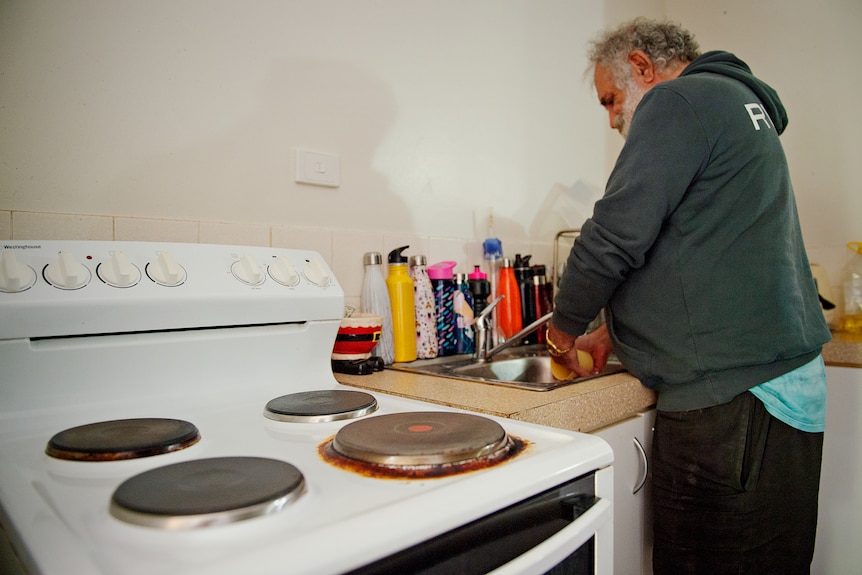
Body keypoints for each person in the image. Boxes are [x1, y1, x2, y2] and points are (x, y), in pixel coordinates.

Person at [546, 17, 831, 575]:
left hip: (733, 399)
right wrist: (615, 334)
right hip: (777, 387)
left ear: (642, 67)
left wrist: (564, 325)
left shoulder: (677, 102)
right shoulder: (734, 104)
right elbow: (704, 255)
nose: (612, 120)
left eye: (610, 100)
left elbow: (615, 232)